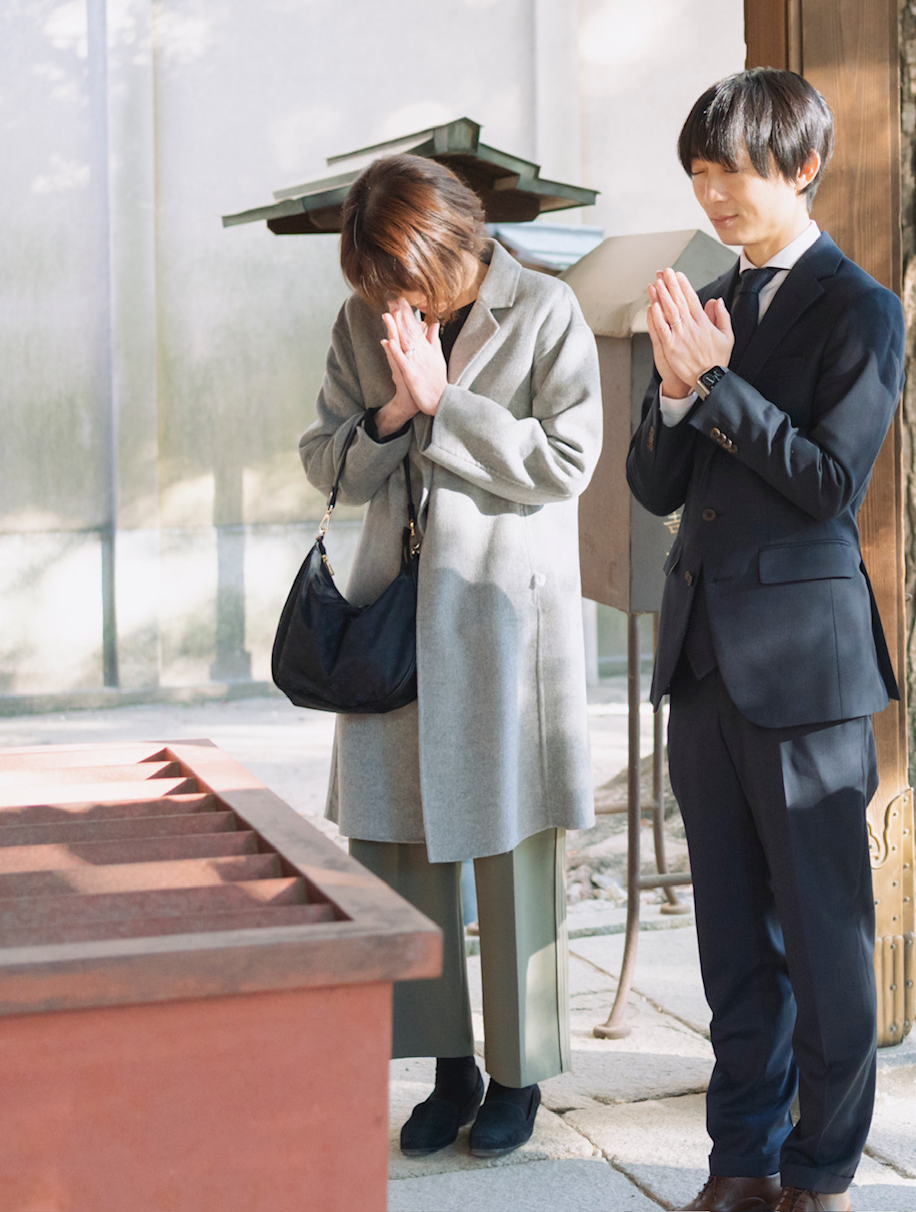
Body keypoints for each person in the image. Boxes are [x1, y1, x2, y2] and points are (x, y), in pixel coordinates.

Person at [625, 69, 906, 1212]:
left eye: (728, 172)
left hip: (807, 664)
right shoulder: (706, 294)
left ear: (800, 168)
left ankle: (822, 1167)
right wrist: (677, 392)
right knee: (731, 934)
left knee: (829, 941)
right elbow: (653, 484)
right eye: (697, 175)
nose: (711, 197)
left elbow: (830, 485)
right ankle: (739, 1160)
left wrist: (717, 383)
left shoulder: (860, 307)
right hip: (703, 656)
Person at [300, 152, 602, 1161]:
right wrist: (391, 410)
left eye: (400, 277)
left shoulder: (547, 310)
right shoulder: (363, 324)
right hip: (396, 619)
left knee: (513, 846)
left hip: (505, 621)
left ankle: (520, 1071)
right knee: (400, 849)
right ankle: (446, 1065)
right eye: (373, 284)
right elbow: (323, 458)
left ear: (449, 246)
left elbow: (567, 462)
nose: (388, 300)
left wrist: (445, 403)